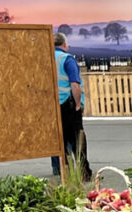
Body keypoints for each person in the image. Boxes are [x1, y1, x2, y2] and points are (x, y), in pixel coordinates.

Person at [51, 33, 92, 179]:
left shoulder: (44, 58)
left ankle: (62, 171)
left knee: (58, 140)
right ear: (64, 44)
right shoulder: (67, 59)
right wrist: (77, 104)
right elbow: (75, 85)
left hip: (51, 107)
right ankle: (83, 173)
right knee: (77, 139)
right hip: (67, 105)